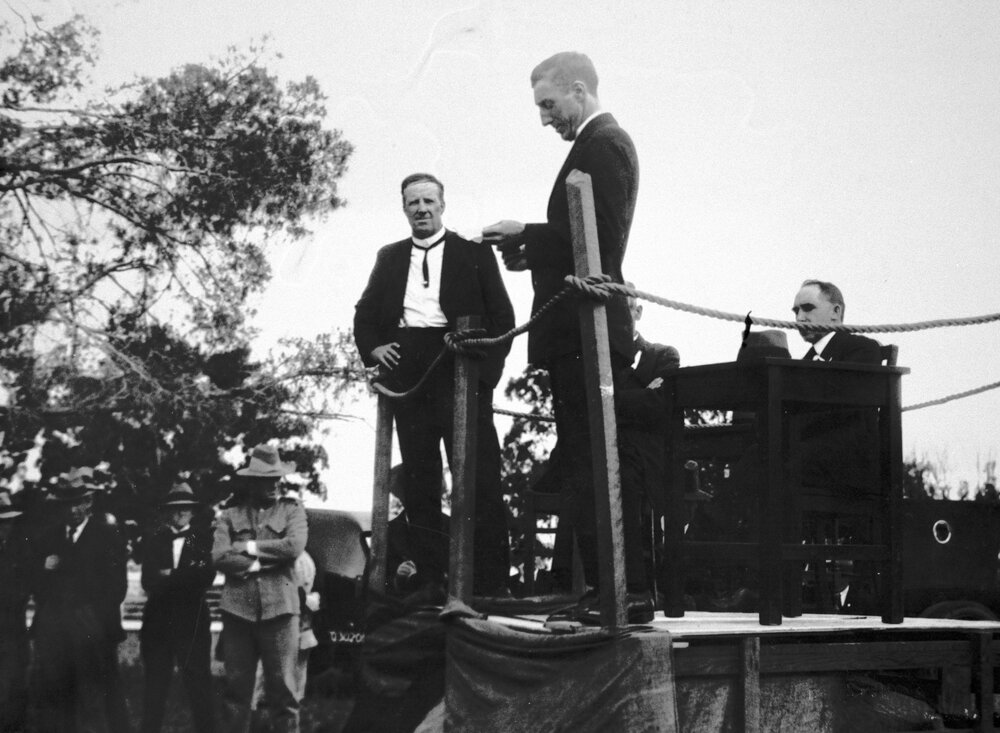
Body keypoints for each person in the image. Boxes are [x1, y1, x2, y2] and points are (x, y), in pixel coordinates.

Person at [482, 51, 641, 618]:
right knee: (584, 462)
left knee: (596, 463)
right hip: (576, 329)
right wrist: (531, 250)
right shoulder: (591, 148)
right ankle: (606, 591)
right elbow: (577, 239)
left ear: (578, 91)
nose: (545, 117)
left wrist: (526, 230)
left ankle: (619, 593)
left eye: (549, 104)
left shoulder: (607, 144)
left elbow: (599, 240)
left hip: (591, 329)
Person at [354, 173, 516, 595]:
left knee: (479, 476)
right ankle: (429, 578)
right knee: (421, 479)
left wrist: (483, 376)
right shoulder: (389, 257)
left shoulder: (473, 254)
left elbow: (503, 319)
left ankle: (491, 581)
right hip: (411, 372)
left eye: (428, 201)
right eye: (413, 203)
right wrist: (374, 349)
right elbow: (365, 315)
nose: (421, 209)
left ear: (443, 206)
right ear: (404, 209)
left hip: (460, 366)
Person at [212, 444, 308, 733]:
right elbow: (219, 556)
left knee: (284, 693)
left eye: (275, 479)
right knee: (235, 693)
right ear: (251, 482)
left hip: (280, 614)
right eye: (265, 479)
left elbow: (293, 547)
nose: (272, 485)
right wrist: (260, 564)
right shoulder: (229, 516)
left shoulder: (293, 511)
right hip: (237, 613)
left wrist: (249, 547)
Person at [30, 467, 131, 733]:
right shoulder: (49, 537)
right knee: (56, 694)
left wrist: (92, 620)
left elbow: (116, 587)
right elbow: (37, 588)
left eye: (78, 503)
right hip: (55, 631)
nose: (72, 510)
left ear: (89, 502)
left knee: (94, 698)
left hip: (92, 630)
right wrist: (45, 568)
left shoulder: (107, 534)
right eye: (66, 504)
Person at [792, 279, 883, 493]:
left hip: (846, 464)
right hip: (810, 455)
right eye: (796, 311)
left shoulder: (862, 350)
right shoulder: (802, 363)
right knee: (758, 455)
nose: (799, 318)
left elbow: (844, 410)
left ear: (835, 311)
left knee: (765, 459)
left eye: (808, 308)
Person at [140, 482, 216, 733]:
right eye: (175, 509)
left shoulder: (204, 539)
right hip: (158, 624)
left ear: (193, 512)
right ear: (167, 512)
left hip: (192, 622)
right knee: (154, 686)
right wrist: (184, 575)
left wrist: (169, 575)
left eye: (185, 508)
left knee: (198, 684)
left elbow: (205, 577)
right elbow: (148, 580)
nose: (181, 513)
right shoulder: (154, 538)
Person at [0, 490, 30, 732]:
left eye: (8, 521)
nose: (5, 527)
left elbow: (24, 589)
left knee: (14, 681)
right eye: (1, 522)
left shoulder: (20, 550)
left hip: (12, 629)